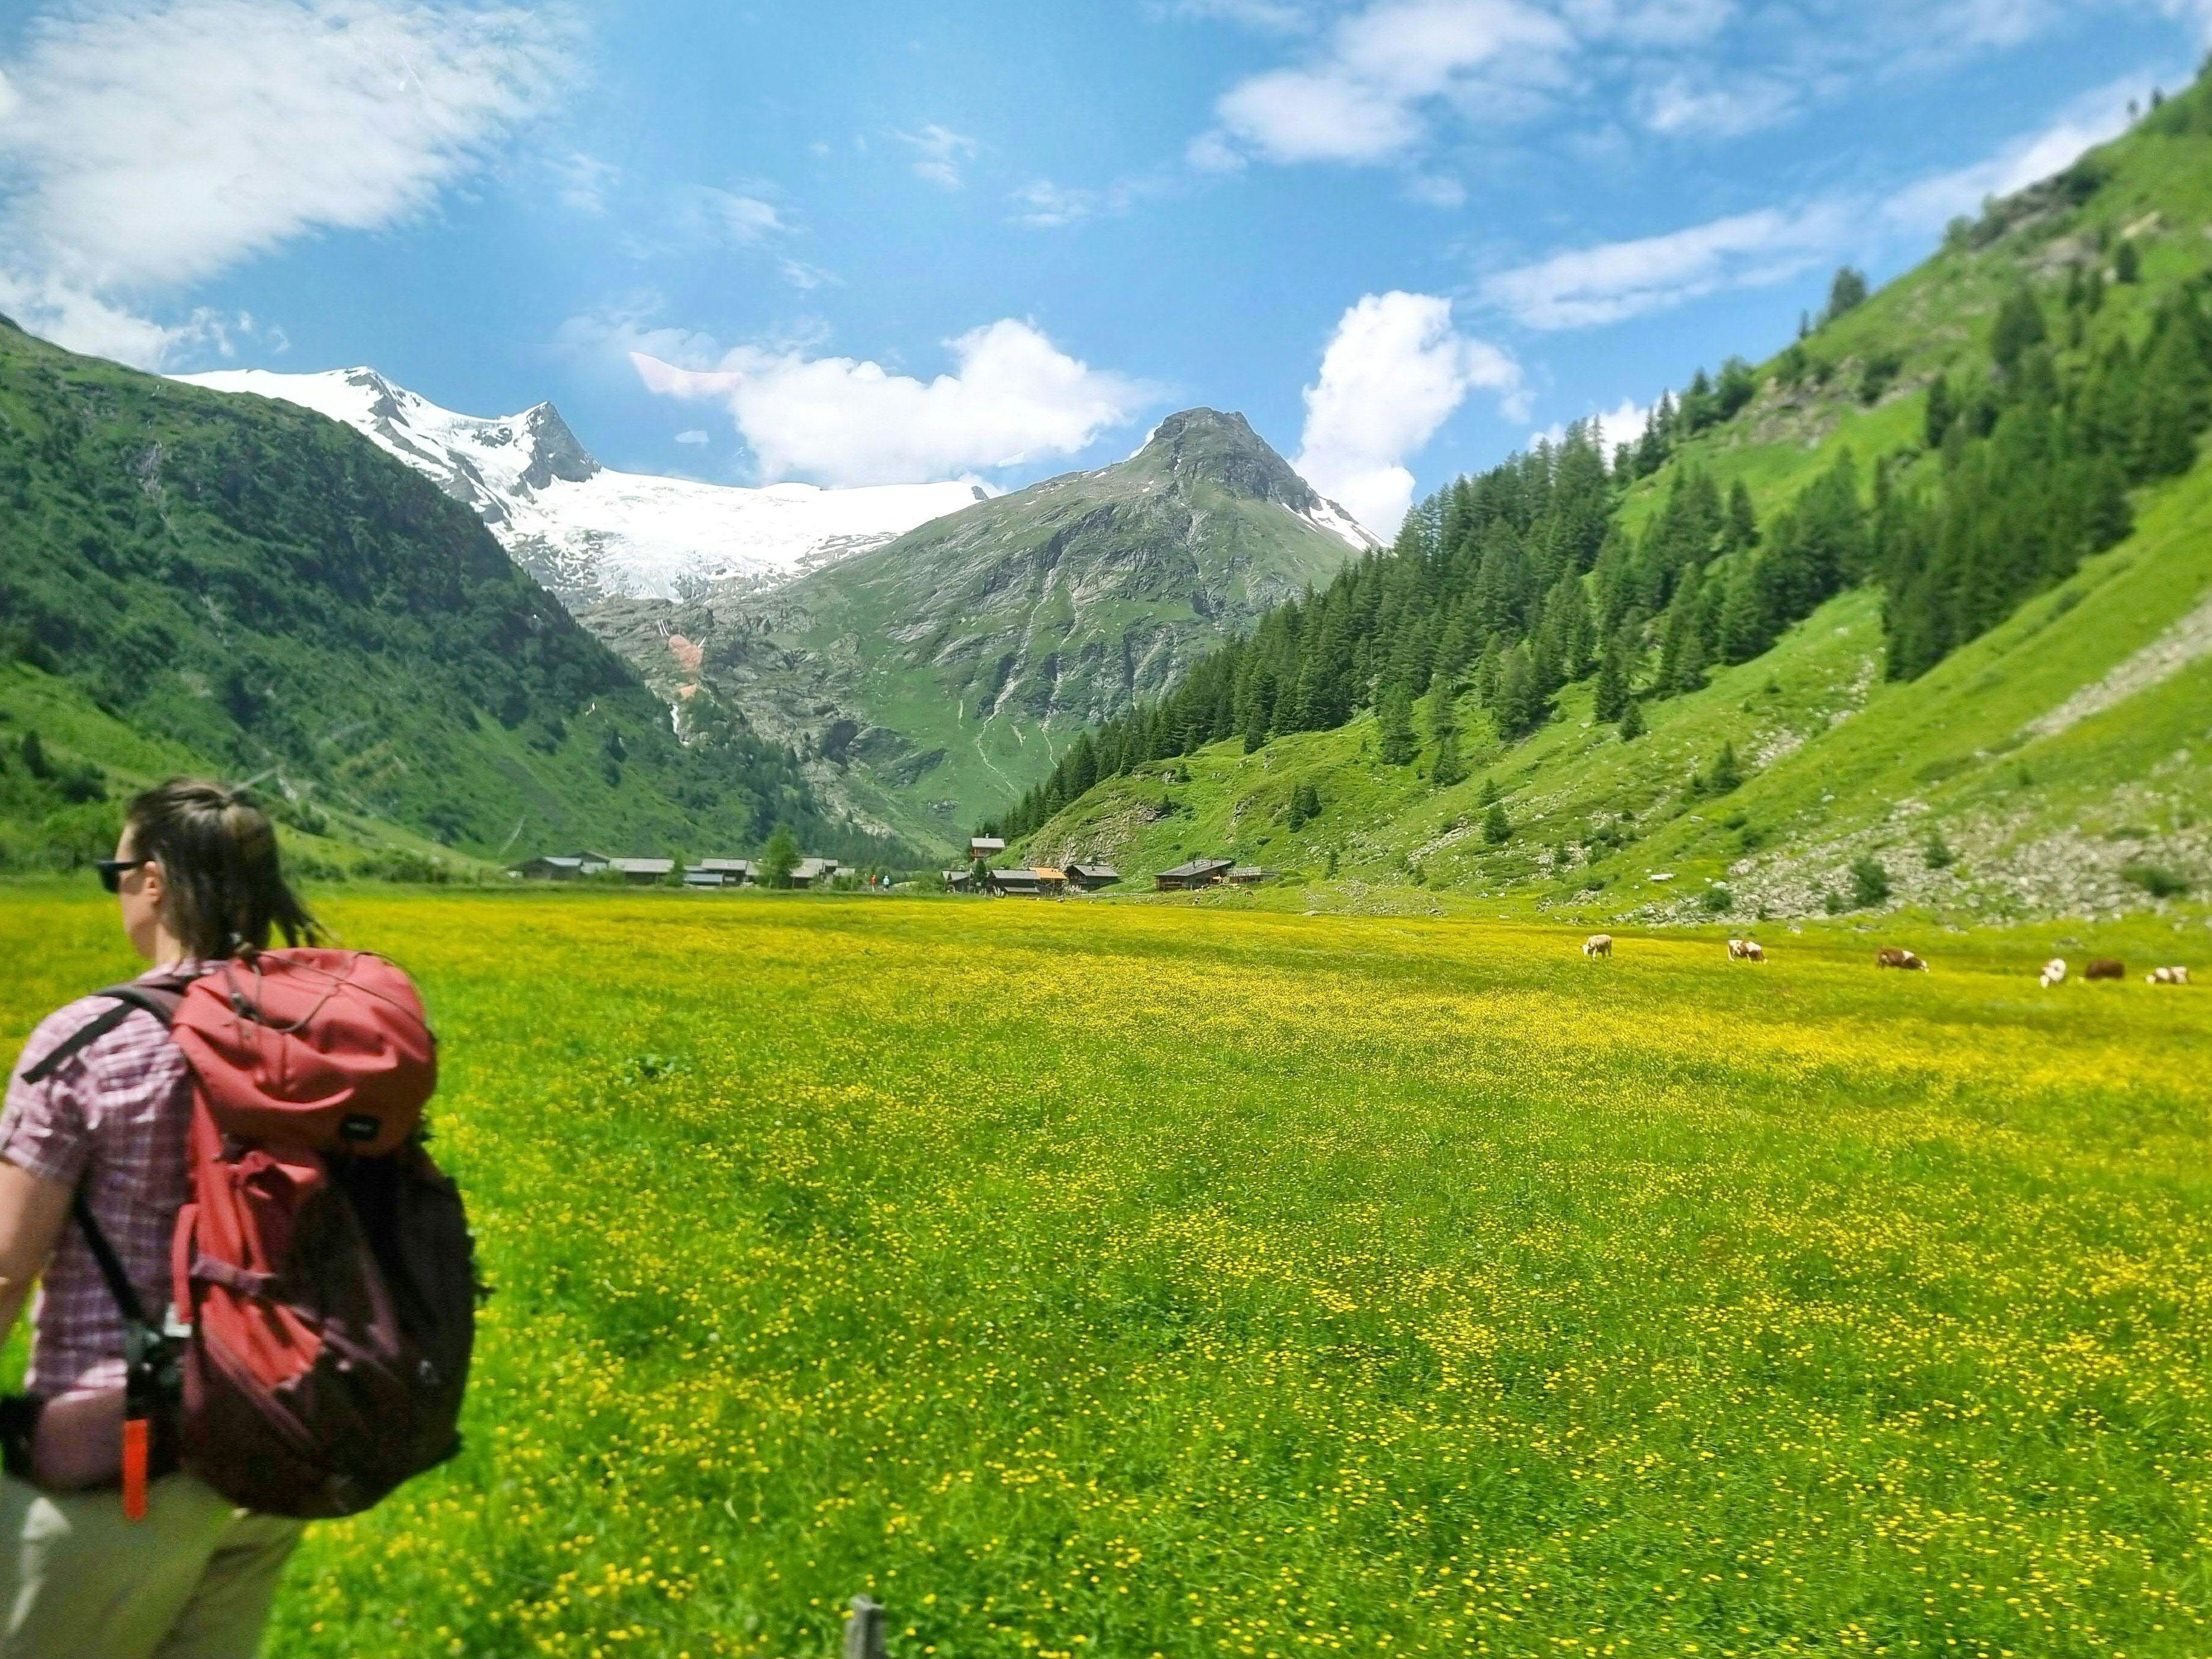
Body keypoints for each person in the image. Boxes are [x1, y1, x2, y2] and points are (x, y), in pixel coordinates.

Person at [0, 780, 320, 1659]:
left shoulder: (88, 1040)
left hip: (120, 1468)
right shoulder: (309, 1036)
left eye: (116, 872)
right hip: (264, 1460)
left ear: (150, 881)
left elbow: (3, 1268)